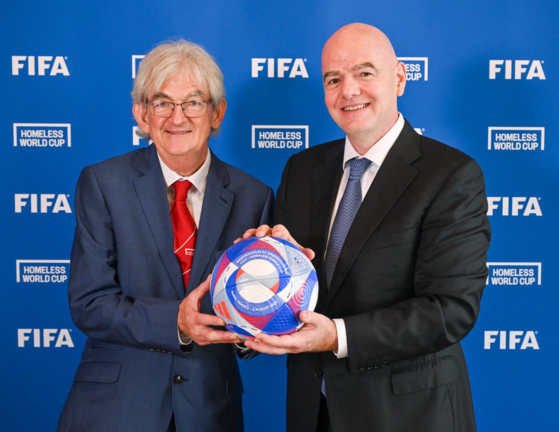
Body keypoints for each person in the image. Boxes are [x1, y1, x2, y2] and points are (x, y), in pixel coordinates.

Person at [243, 23, 491, 432]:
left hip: (409, 416)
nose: (349, 90)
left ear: (399, 78)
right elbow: (292, 290)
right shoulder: (302, 170)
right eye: (333, 79)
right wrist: (264, 268)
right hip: (314, 413)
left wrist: (336, 336)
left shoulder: (450, 175)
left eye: (365, 73)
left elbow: (450, 310)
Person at [57, 40, 273, 432]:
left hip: (211, 411)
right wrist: (176, 320)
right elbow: (90, 302)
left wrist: (252, 328)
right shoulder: (104, 183)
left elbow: (254, 310)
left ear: (216, 112)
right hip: (116, 409)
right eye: (161, 102)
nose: (178, 117)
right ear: (141, 113)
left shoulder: (254, 197)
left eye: (193, 101)